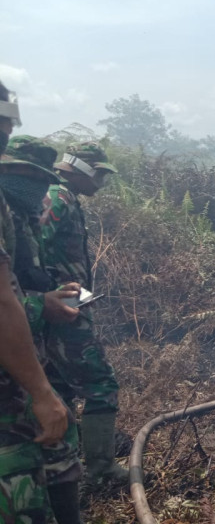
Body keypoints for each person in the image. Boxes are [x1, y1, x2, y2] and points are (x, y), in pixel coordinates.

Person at [1, 136, 84, 524]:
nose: (34, 185)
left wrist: (51, 295)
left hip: (27, 362)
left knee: (60, 448)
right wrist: (41, 304)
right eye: (25, 174)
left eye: (41, 178)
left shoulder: (22, 218)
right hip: (12, 379)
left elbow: (20, 285)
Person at [41, 142, 127, 485]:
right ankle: (102, 471)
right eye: (100, 174)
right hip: (61, 313)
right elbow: (32, 248)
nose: (102, 183)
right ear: (82, 169)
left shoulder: (64, 197)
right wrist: (49, 295)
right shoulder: (58, 198)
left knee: (59, 385)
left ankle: (61, 466)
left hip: (62, 309)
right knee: (101, 383)